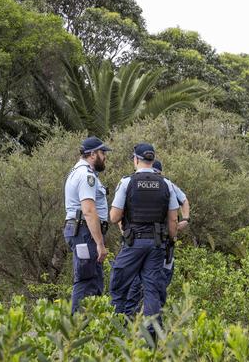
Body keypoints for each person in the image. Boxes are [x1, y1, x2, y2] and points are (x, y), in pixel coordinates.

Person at [108, 143, 178, 328]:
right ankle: (152, 337)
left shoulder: (127, 182)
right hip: (156, 245)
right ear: (153, 160)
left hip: (133, 243)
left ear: (136, 159)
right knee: (152, 291)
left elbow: (114, 217)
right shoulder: (166, 184)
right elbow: (173, 221)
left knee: (119, 285)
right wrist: (170, 241)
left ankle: (117, 330)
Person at [123, 159, 190, 314]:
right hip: (158, 243)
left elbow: (184, 200)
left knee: (148, 284)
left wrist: (185, 220)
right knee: (152, 286)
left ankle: (137, 320)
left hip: (153, 243)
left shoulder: (163, 184)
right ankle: (148, 322)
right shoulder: (163, 184)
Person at [63, 136, 111, 314]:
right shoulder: (86, 175)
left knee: (95, 280)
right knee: (86, 280)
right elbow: (89, 211)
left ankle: (91, 329)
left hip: (82, 231)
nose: (105, 156)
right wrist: (99, 243)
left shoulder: (80, 173)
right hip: (84, 231)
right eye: (102, 152)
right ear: (92, 154)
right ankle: (77, 329)